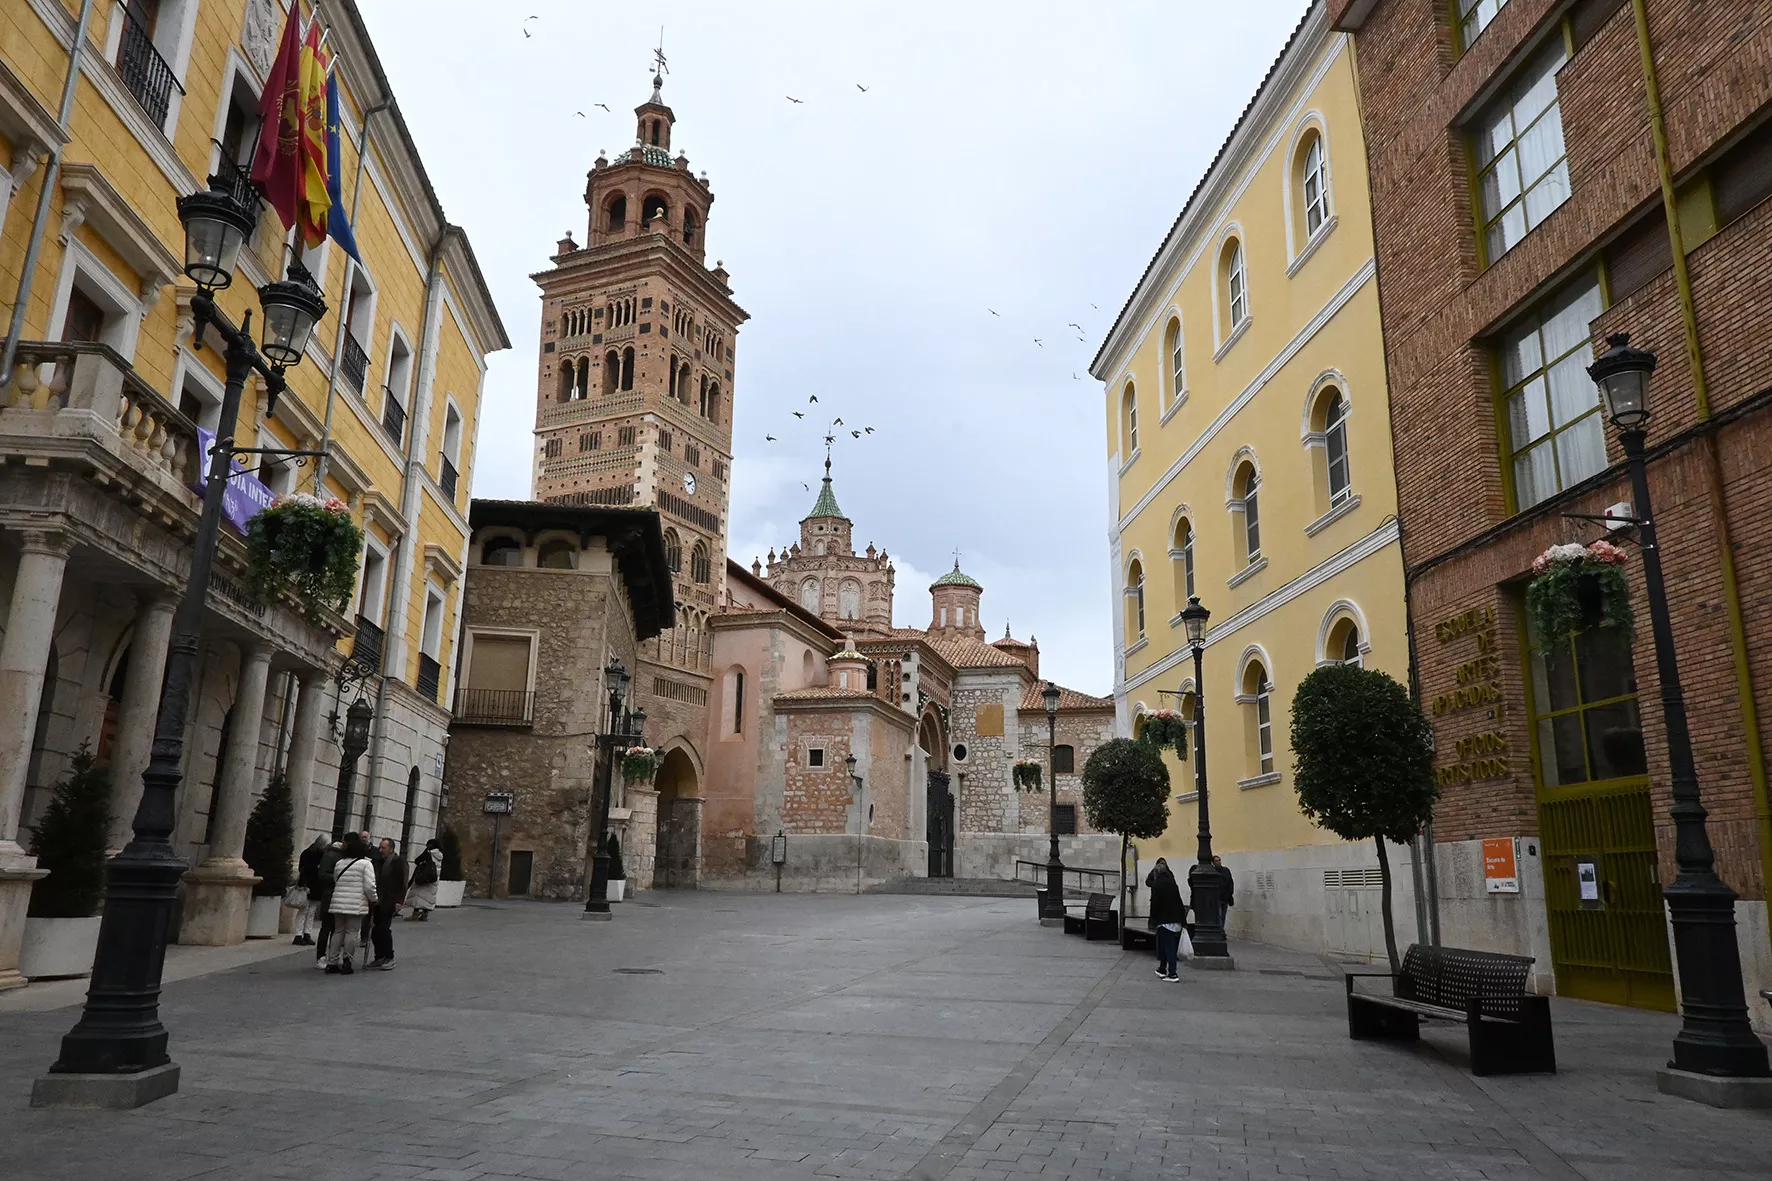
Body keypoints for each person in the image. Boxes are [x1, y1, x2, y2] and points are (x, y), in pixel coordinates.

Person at [325, 833, 377, 975]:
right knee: (352, 932)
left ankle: (332, 962)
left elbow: (336, 879)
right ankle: (347, 961)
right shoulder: (366, 864)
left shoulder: (339, 863)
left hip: (338, 901)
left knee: (338, 931)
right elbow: (369, 886)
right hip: (356, 902)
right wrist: (374, 899)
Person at [1145, 858, 1186, 981]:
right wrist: (1183, 920)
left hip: (1164, 920)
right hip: (1175, 919)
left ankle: (1173, 973)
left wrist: (1153, 919)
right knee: (1164, 945)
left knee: (1168, 947)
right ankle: (1162, 968)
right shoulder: (1173, 885)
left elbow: (1155, 904)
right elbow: (1179, 902)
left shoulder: (1157, 886)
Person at [370, 838, 408, 970]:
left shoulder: (399, 862)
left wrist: (399, 901)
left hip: (390, 900)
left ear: (391, 849)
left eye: (383, 848)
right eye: (380, 847)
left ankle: (389, 956)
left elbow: (403, 883)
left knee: (384, 929)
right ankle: (379, 955)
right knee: (375, 930)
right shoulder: (378, 861)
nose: (380, 850)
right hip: (378, 900)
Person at [311, 838, 343, 969]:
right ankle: (321, 956)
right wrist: (338, 878)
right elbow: (323, 875)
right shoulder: (330, 856)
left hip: (339, 895)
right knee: (327, 927)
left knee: (337, 928)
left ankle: (334, 955)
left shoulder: (342, 856)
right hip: (330, 895)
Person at [293, 835, 328, 946]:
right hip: (307, 886)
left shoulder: (322, 855)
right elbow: (303, 870)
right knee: (304, 910)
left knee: (311, 911)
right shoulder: (308, 854)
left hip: (316, 886)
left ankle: (307, 933)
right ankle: (298, 934)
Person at [406, 838, 442, 920]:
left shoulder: (428, 853)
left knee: (419, 895)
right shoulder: (439, 855)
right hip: (433, 879)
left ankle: (415, 914)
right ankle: (425, 915)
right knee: (428, 897)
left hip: (424, 877)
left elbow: (417, 860)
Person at [1213, 855, 1235, 931]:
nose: (1218, 862)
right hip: (1217, 897)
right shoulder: (1212, 872)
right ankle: (1221, 931)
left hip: (1225, 897)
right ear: (1213, 863)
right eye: (1216, 861)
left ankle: (1221, 929)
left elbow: (1230, 882)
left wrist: (1230, 893)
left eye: (1219, 860)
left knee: (1223, 915)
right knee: (1219, 915)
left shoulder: (1226, 870)